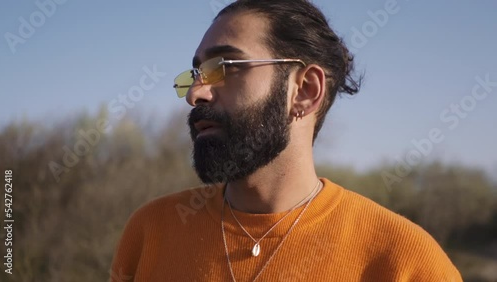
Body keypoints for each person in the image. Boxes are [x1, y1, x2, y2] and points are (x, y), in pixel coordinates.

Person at [110, 0, 462, 281]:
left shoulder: (405, 262)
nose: (195, 95)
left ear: (305, 91)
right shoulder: (151, 232)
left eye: (225, 67)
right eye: (197, 74)